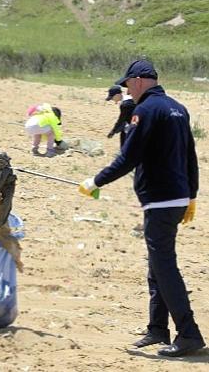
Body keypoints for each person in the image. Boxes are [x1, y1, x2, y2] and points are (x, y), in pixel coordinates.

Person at [79, 60, 205, 357]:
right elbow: (191, 155)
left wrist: (95, 181)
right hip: (176, 197)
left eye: (127, 85)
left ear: (137, 81)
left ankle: (189, 334)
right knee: (156, 265)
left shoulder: (146, 110)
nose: (126, 90)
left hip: (160, 199)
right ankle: (157, 329)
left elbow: (128, 158)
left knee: (164, 267)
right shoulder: (177, 107)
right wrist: (192, 195)